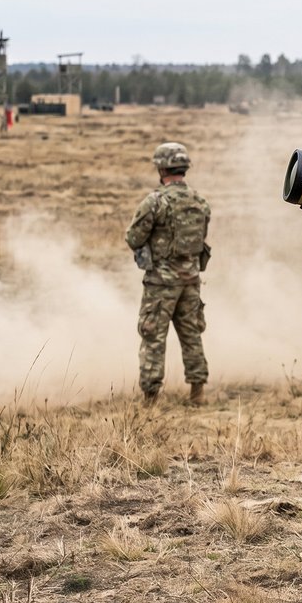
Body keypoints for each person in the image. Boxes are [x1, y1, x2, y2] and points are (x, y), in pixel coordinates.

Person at [125, 142, 211, 406]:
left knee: (153, 336)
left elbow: (133, 237)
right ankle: (197, 393)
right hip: (191, 279)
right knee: (191, 334)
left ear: (161, 168)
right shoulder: (200, 201)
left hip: (161, 283)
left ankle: (150, 398)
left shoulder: (155, 201)